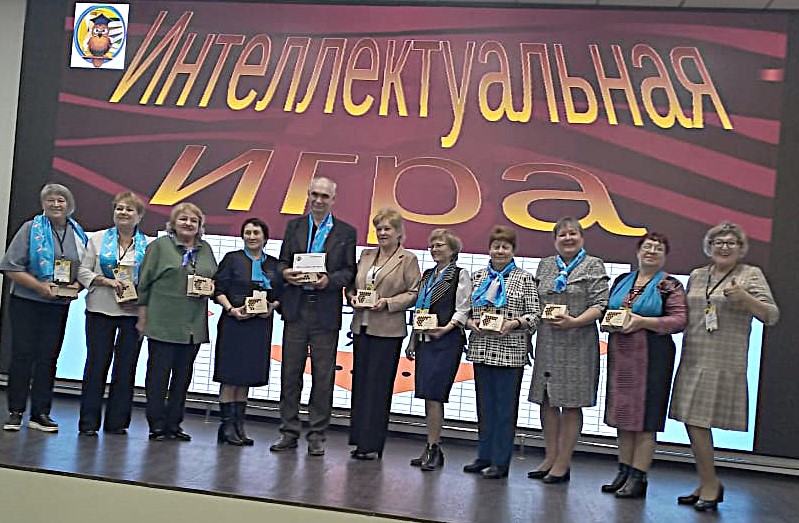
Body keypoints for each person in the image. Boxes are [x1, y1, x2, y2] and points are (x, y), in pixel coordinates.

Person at [669, 221, 778, 511]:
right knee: (692, 421)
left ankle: (710, 483)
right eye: (719, 242)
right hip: (693, 356)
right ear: (709, 247)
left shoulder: (750, 274)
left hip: (724, 359)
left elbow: (771, 315)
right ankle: (707, 481)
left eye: (731, 243)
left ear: (741, 248)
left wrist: (745, 299)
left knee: (699, 421)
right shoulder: (697, 275)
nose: (724, 247)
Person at [270, 177, 356, 456]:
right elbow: (282, 262)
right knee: (290, 373)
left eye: (324, 196)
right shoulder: (294, 226)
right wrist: (285, 273)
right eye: (314, 195)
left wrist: (329, 281)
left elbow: (349, 271)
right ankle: (288, 431)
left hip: (325, 311)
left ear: (334, 200)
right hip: (296, 309)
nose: (319, 200)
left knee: (323, 376)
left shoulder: (346, 232)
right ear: (308, 195)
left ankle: (317, 434)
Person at [601, 233, 687, 498]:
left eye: (658, 248)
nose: (651, 251)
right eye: (647, 247)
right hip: (622, 356)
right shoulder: (622, 280)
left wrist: (643, 322)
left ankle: (639, 477)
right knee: (623, 416)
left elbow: (679, 320)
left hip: (653, 357)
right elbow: (608, 310)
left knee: (646, 419)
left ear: (665, 256)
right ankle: (624, 471)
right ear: (638, 252)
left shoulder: (669, 285)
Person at [528, 216, 609, 483]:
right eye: (562, 234)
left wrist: (574, 321)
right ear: (555, 240)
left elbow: (600, 305)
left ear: (582, 238)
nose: (568, 238)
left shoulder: (593, 264)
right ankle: (550, 457)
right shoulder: (545, 264)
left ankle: (563, 462)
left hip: (578, 342)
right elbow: (536, 301)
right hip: (548, 341)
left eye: (573, 233)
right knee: (547, 400)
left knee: (571, 404)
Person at [1, 183, 87, 432]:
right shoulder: (30, 228)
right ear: (43, 204)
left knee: (48, 358)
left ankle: (40, 413)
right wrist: (39, 287)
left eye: (61, 200)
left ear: (69, 204)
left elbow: (86, 268)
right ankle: (15, 411)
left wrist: (78, 286)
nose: (56, 204)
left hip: (57, 305)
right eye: (50, 200)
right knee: (22, 355)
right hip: (27, 302)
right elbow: (10, 267)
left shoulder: (77, 233)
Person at [462, 225, 540, 479]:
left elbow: (535, 315)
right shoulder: (477, 277)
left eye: (505, 247)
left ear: (513, 250)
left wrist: (514, 323)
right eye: (496, 246)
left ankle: (500, 461)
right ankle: (483, 455)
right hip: (482, 349)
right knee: (484, 408)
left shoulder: (525, 278)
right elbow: (464, 310)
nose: (500, 251)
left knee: (505, 410)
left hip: (510, 352)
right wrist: (469, 322)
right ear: (489, 249)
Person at [136, 202, 218, 441]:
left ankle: (174, 424)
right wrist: (142, 317)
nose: (188, 224)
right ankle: (156, 424)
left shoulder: (205, 249)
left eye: (194, 220)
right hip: (162, 322)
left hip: (192, 326)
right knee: (158, 377)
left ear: (200, 226)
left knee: (182, 378)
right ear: (173, 223)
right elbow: (144, 282)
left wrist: (211, 288)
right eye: (183, 219)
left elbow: (214, 278)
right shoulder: (160, 246)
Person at [347, 208, 420, 460]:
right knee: (361, 385)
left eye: (387, 228)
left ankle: (373, 444)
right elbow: (352, 286)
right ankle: (359, 440)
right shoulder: (366, 255)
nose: (382, 233)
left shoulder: (407, 259)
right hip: (362, 327)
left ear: (399, 232)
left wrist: (388, 303)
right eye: (379, 228)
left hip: (388, 331)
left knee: (378, 388)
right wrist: (352, 297)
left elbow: (414, 293)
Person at [76, 191, 149, 436]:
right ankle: (88, 423)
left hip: (131, 313)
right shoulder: (97, 239)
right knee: (96, 365)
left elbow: (151, 281)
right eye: (119, 208)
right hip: (99, 309)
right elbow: (82, 272)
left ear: (139, 216)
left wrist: (139, 300)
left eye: (129, 209)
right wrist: (106, 281)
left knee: (126, 368)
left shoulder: (149, 245)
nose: (123, 213)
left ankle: (117, 423)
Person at [212, 218, 282, 446]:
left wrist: (271, 307)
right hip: (234, 324)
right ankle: (226, 427)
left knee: (245, 378)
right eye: (248, 232)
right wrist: (231, 309)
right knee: (230, 377)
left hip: (258, 327)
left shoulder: (273, 264)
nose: (252, 237)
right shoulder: (232, 259)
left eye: (256, 233)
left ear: (265, 237)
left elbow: (280, 294)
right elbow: (218, 289)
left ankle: (239, 426)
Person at [405, 229, 470, 471]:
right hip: (425, 340)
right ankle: (431, 446)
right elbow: (420, 310)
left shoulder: (460, 275)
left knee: (435, 395)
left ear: (453, 250)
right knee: (426, 394)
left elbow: (463, 309)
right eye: (432, 245)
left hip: (446, 342)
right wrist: (413, 339)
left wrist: (447, 328)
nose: (435, 249)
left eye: (440, 245)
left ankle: (434, 446)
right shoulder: (428, 275)